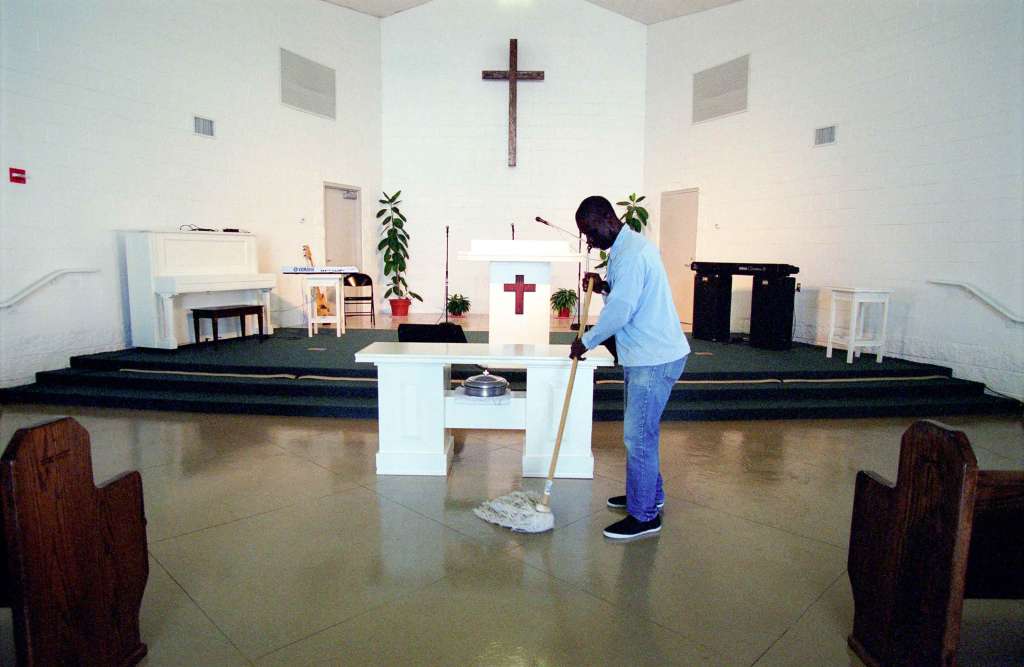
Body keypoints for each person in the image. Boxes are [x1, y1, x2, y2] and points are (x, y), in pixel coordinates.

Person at [570, 195, 690, 540]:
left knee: (638, 437)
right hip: (646, 355)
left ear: (608, 218)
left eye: (591, 232)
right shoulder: (626, 250)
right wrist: (605, 286)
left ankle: (644, 516)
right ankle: (650, 495)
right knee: (642, 434)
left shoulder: (633, 254)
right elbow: (626, 296)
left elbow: (622, 311)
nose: (590, 242)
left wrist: (587, 342)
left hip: (653, 358)